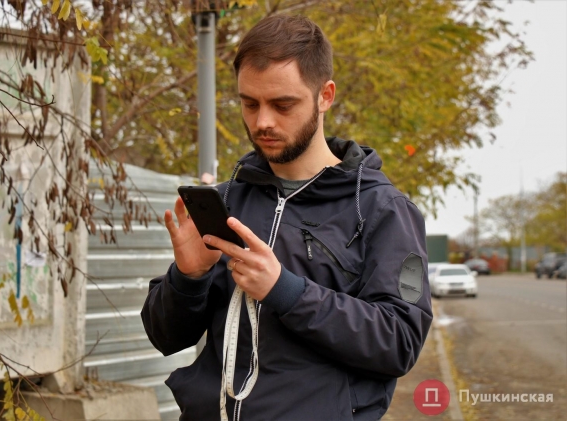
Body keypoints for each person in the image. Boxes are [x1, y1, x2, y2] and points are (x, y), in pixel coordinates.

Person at [142, 14, 432, 421]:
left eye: (283, 105)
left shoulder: (384, 210)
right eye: (249, 103)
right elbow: (165, 337)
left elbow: (399, 341)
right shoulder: (226, 201)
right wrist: (188, 279)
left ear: (325, 95)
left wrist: (286, 291)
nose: (262, 121)